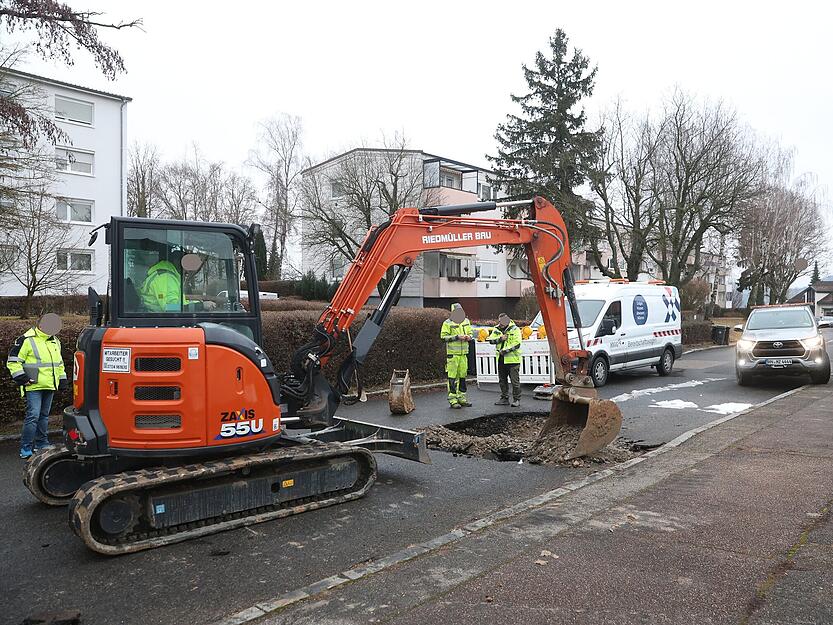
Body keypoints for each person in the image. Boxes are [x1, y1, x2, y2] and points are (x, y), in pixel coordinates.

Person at [6, 313, 67, 459]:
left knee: (44, 416)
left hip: (49, 385)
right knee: (33, 416)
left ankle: (41, 444)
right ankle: (26, 447)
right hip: (33, 385)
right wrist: (22, 378)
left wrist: (62, 379)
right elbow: (13, 361)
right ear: (41, 325)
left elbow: (59, 363)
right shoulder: (26, 340)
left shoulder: (55, 341)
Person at [140, 250, 215, 312]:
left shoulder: (167, 276)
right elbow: (170, 308)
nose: (188, 271)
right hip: (161, 322)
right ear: (177, 262)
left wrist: (200, 303)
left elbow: (180, 303)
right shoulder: (166, 279)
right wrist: (201, 306)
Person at [440, 303, 472, 409]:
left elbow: (471, 333)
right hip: (452, 355)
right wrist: (457, 337)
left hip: (463, 354)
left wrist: (469, 337)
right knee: (452, 378)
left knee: (462, 377)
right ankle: (453, 400)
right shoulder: (447, 323)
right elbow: (443, 337)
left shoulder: (466, 321)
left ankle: (462, 398)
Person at [489, 312, 522, 407]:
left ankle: (516, 399)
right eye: (500, 321)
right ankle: (504, 398)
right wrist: (500, 339)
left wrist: (505, 351)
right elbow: (491, 340)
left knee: (515, 382)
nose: (501, 323)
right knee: (502, 380)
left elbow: (517, 344)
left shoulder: (515, 329)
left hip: (513, 360)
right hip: (501, 359)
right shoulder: (496, 329)